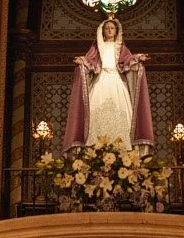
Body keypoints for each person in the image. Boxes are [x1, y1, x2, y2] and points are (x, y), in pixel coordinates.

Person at [64, 15, 153, 148]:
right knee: (96, 113)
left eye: (112, 28)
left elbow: (128, 59)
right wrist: (82, 61)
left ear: (117, 31)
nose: (110, 30)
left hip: (117, 82)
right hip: (101, 81)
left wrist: (138, 58)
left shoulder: (121, 47)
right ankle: (95, 146)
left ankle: (122, 147)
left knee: (121, 113)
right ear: (102, 31)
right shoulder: (98, 47)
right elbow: (90, 59)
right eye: (107, 28)